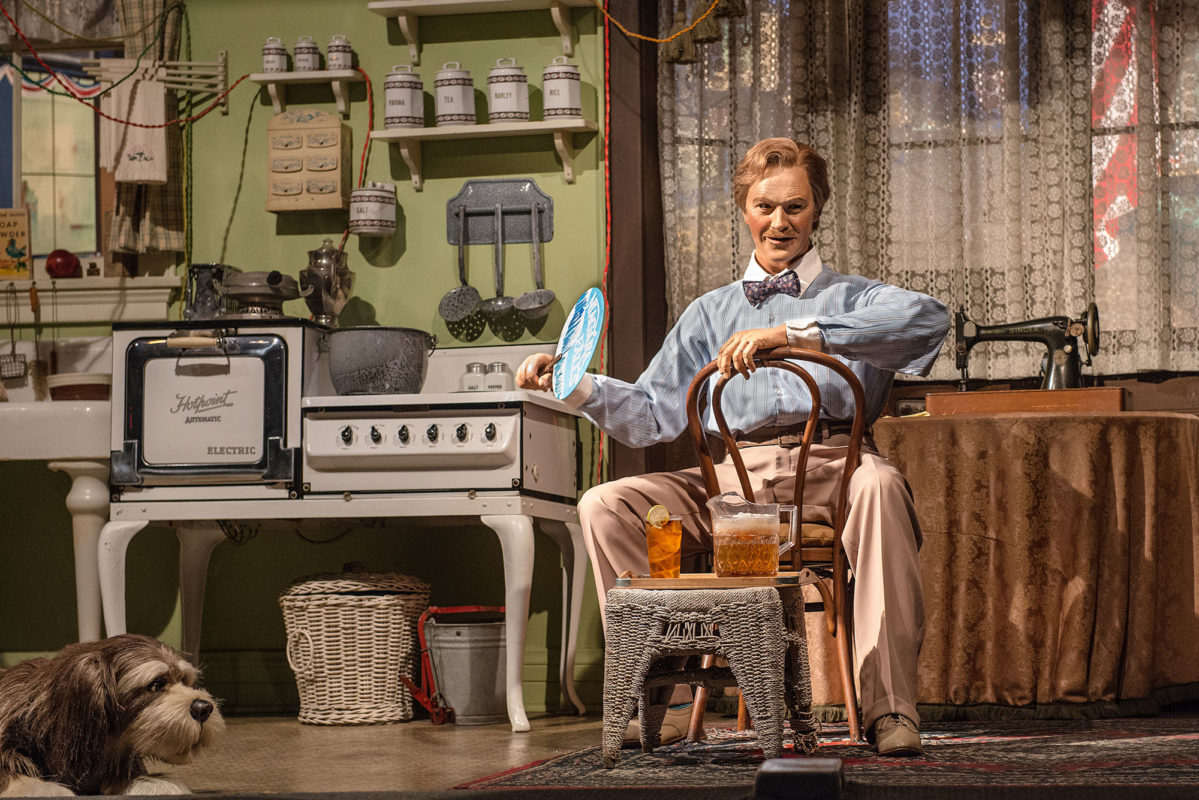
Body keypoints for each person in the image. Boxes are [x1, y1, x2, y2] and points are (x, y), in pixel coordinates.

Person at [516, 137, 950, 757]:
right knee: (604, 504)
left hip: (835, 472)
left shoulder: (856, 298)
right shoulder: (707, 314)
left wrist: (797, 332)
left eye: (795, 207)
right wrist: (574, 381)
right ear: (744, 210)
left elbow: (930, 322)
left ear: (817, 210)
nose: (780, 223)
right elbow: (649, 414)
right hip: (729, 488)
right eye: (764, 206)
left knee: (881, 484)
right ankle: (651, 699)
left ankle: (889, 711)